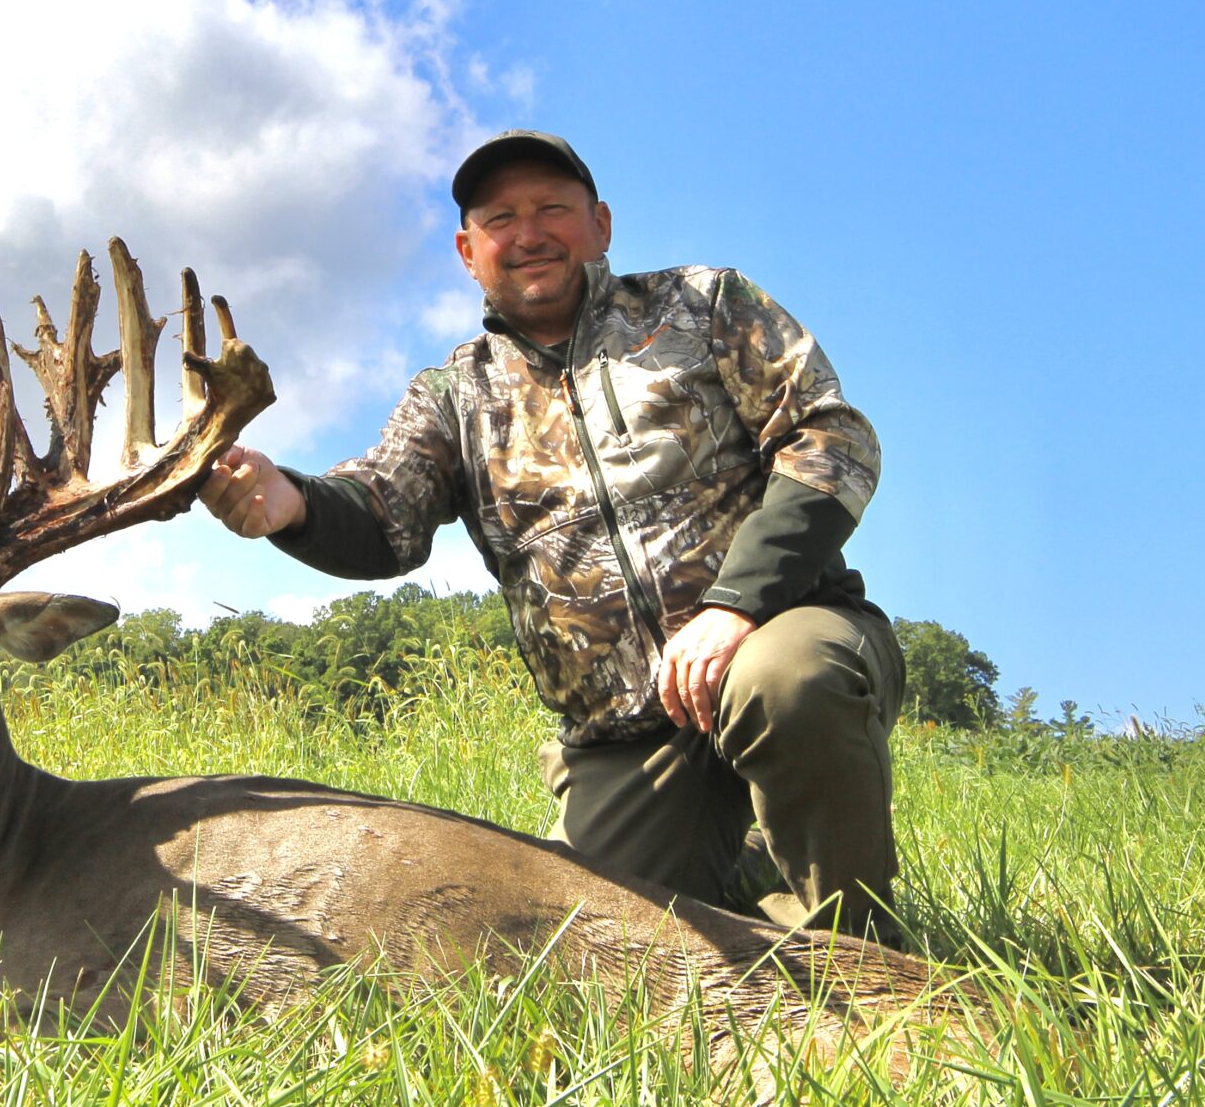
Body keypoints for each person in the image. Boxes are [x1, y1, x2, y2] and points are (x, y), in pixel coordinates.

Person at [201, 129, 907, 942]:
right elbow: (384, 514)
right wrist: (291, 502)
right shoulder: (456, 395)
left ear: (600, 224)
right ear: (469, 251)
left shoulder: (703, 305)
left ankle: (857, 955)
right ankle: (746, 866)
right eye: (500, 218)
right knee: (578, 952)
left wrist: (735, 606)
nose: (529, 233)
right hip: (625, 739)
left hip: (776, 635)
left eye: (552, 209)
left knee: (788, 683)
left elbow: (831, 438)